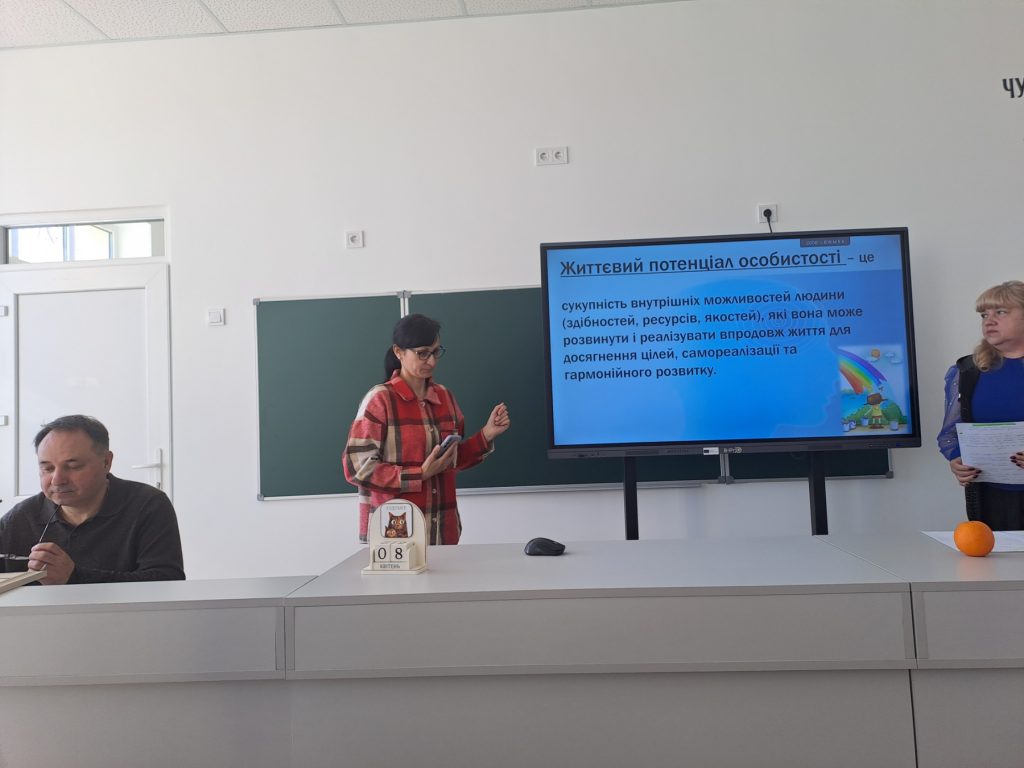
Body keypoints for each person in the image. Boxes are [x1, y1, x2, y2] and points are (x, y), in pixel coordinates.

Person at [344, 314, 510, 545]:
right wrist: (419, 474)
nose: (431, 361)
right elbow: (357, 468)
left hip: (443, 532)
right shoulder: (380, 400)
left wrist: (487, 434)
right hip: (396, 539)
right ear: (399, 352)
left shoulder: (445, 397)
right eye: (422, 353)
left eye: (435, 352)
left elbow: (451, 460)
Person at [0, 415, 185, 584]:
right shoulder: (22, 517)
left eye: (73, 466)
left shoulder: (147, 505)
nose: (57, 480)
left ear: (106, 462)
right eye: (48, 469)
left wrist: (73, 577)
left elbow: (167, 581)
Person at [937, 280, 1024, 529]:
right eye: (984, 315)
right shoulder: (966, 371)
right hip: (991, 499)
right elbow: (950, 435)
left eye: (1001, 312)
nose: (989, 321)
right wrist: (957, 461)